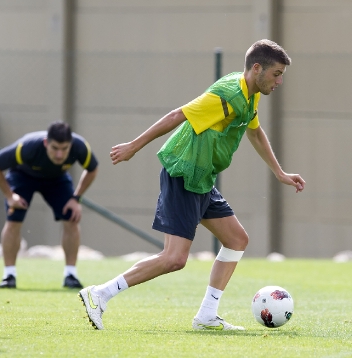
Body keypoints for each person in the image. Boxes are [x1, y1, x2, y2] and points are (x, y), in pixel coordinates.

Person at [78, 39, 305, 331]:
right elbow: (177, 115)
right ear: (256, 68)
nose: (280, 81)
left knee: (237, 239)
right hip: (184, 173)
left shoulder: (251, 94)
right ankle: (100, 294)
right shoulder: (226, 95)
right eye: (276, 74)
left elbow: (255, 132)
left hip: (202, 178)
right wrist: (134, 146)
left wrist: (279, 172)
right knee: (174, 259)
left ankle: (207, 315)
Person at [0, 121, 99, 289]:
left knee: (71, 218)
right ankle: (9, 275)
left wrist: (76, 198)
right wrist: (10, 196)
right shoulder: (28, 147)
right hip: (22, 176)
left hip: (56, 180)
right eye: (55, 148)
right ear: (46, 143)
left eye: (64, 149)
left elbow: (92, 169)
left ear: (71, 145)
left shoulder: (80, 146)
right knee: (14, 220)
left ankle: (71, 275)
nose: (60, 155)